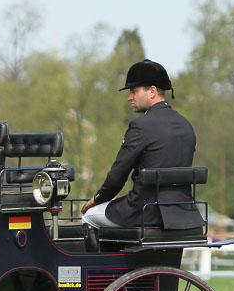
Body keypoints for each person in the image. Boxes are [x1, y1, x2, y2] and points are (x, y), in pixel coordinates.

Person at [81, 59, 204, 230]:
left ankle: (113, 258)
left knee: (88, 217)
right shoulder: (186, 125)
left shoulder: (141, 126)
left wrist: (97, 199)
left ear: (152, 91)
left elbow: (118, 175)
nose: (129, 97)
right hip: (183, 212)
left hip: (144, 211)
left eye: (134, 91)